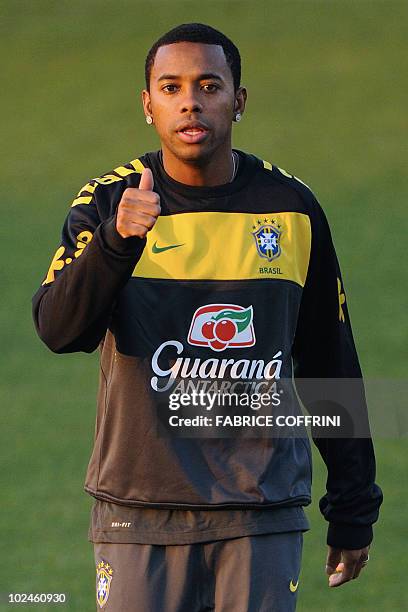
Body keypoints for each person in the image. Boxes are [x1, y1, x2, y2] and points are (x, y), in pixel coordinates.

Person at [32, 23, 382, 612]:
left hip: (261, 512)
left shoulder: (292, 210)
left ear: (238, 100)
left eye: (209, 85)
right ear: (148, 105)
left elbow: (329, 358)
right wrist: (118, 242)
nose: (190, 100)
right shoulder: (107, 204)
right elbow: (60, 330)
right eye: (170, 88)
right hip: (140, 514)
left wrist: (353, 507)